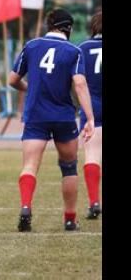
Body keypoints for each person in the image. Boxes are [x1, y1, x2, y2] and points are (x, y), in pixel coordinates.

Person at [8, 9, 95, 232]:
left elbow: (12, 80)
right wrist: (90, 117)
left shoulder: (32, 46)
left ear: (49, 25)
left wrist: (30, 89)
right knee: (69, 168)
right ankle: (69, 219)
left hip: (36, 115)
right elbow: (80, 84)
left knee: (30, 165)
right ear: (69, 28)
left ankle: (26, 207)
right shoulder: (74, 51)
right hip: (63, 116)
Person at [78, 11, 102, 219]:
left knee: (92, 154)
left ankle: (94, 202)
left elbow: (76, 81)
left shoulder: (82, 48)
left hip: (91, 106)